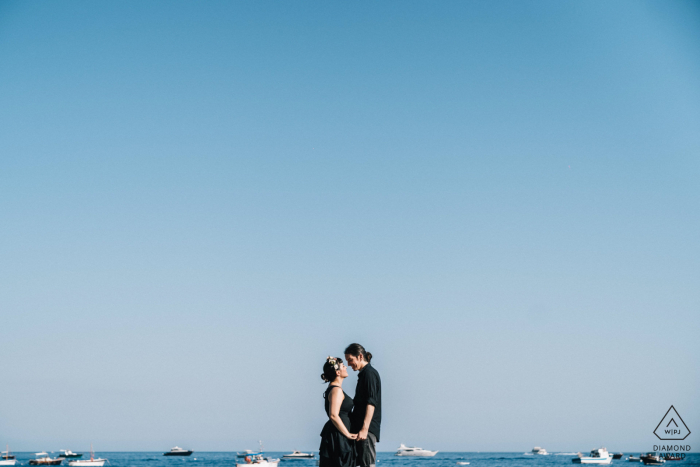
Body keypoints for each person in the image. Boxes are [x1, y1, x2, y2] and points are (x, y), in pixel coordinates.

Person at [344, 343, 381, 467]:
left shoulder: (369, 374)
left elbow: (371, 402)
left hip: (366, 430)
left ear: (360, 356)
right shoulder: (364, 374)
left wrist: (364, 429)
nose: (348, 364)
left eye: (350, 360)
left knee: (367, 464)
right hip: (361, 429)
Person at [319, 356, 357, 467]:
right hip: (338, 436)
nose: (346, 367)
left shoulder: (334, 388)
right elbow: (333, 415)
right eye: (343, 366)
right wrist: (348, 434)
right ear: (338, 372)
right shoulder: (336, 390)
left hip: (338, 433)